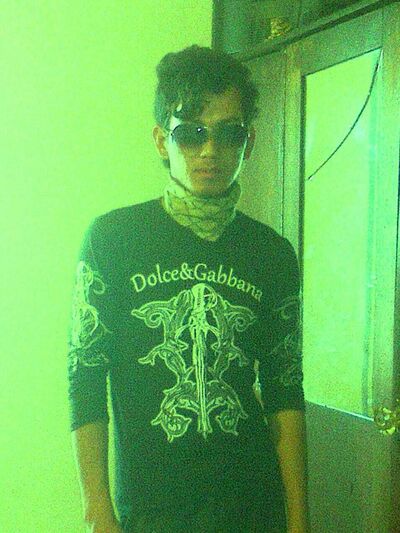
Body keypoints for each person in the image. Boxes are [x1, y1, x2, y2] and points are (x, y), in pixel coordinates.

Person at [68, 44, 310, 533]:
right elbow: (85, 378)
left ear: (249, 141)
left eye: (228, 132)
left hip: (252, 507)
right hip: (152, 511)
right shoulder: (112, 240)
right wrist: (97, 513)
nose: (209, 150)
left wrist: (300, 520)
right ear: (162, 140)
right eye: (190, 132)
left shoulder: (272, 254)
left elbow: (285, 390)